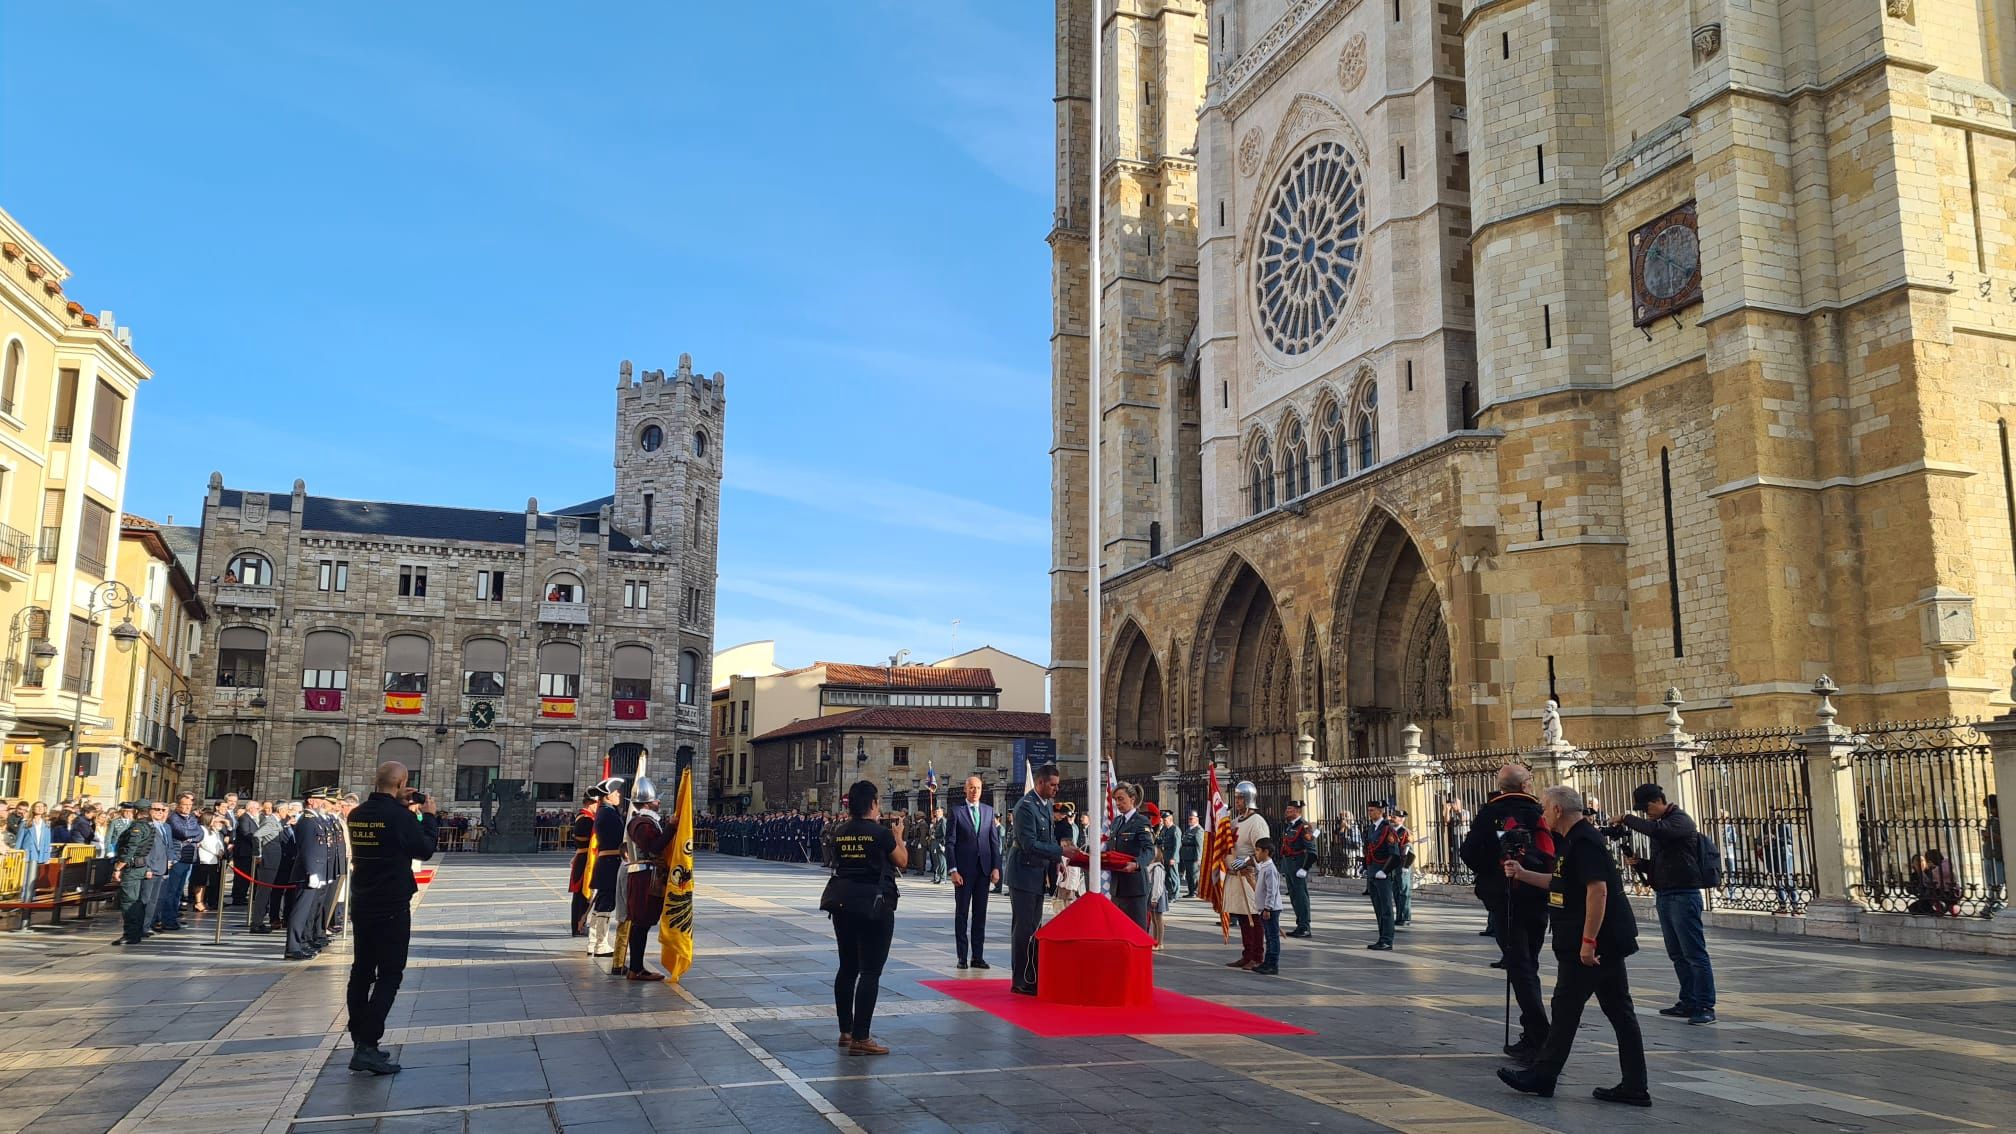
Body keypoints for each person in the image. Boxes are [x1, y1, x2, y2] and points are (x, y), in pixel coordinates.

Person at [1496, 785, 1649, 1107]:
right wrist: (1523, 874)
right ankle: (1634, 1085)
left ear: (1557, 810)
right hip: (1598, 941)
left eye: (1544, 807)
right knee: (1619, 1012)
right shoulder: (1572, 841)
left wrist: (1589, 942)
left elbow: (1598, 892)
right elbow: (1561, 884)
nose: (1541, 813)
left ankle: (1543, 1076)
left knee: (1566, 1009)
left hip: (1591, 943)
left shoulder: (1584, 841)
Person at [342, 761, 440, 1076]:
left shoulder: (357, 814)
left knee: (361, 970)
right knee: (390, 974)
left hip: (363, 900)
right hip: (392, 903)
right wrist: (429, 816)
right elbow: (424, 849)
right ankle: (368, 1044)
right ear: (402, 783)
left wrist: (399, 805)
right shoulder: (402, 816)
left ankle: (359, 1037)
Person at [1461, 764, 1554, 1060]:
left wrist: (1492, 872)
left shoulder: (1489, 813)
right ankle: (1533, 1031)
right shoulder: (1539, 811)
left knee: (1519, 966)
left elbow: (1469, 852)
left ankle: (1538, 1034)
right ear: (1525, 784)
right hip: (1538, 895)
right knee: (1529, 964)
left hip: (1504, 898)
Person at [1614, 783, 1716, 1025]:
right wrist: (1641, 864)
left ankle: (1705, 1005)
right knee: (1677, 953)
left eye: (1647, 807)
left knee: (1694, 953)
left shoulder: (1680, 820)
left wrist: (1626, 818)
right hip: (1666, 894)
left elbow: (1660, 832)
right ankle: (1688, 1000)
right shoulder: (1662, 826)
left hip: (1684, 894)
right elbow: (1668, 861)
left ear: (1659, 800)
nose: (1645, 813)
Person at [825, 780, 905, 1056]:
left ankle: (845, 1031)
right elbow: (902, 861)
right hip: (875, 905)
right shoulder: (880, 833)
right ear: (872, 804)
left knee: (847, 967)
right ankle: (862, 1037)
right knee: (870, 971)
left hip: (843, 903)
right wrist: (899, 836)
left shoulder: (839, 830)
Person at [1006, 763, 1064, 996]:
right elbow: (1029, 844)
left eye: (1057, 785)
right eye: (1052, 785)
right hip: (1024, 873)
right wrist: (1059, 852)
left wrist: (1055, 862)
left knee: (1033, 926)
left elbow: (1048, 838)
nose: (1056, 789)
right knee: (1024, 928)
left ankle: (1031, 973)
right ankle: (1020, 979)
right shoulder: (1026, 807)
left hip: (1037, 873)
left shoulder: (1044, 805)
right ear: (1039, 783)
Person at [621, 777, 674, 981]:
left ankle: (637, 966)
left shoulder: (646, 821)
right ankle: (636, 968)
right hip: (644, 876)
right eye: (655, 800)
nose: (658, 803)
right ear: (646, 803)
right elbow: (654, 846)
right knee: (641, 922)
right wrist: (671, 828)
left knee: (643, 922)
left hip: (648, 875)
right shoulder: (641, 823)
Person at [946, 775, 1001, 970]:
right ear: (965, 789)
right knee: (962, 914)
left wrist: (996, 867)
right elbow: (950, 843)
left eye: (977, 788)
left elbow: (994, 843)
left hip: (983, 871)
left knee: (980, 914)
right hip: (963, 872)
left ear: (982, 789)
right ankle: (962, 956)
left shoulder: (988, 811)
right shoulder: (956, 812)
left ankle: (977, 956)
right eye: (971, 788)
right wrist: (953, 869)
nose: (974, 791)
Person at [1220, 781, 1270, 969]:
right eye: (1237, 797)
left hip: (1249, 876)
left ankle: (1257, 956)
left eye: (1241, 797)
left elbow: (1263, 849)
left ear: (1249, 799)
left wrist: (1244, 862)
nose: (1238, 801)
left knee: (1253, 919)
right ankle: (1247, 953)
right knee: (1242, 917)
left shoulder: (1257, 822)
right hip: (1236, 876)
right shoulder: (1234, 822)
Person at [286, 790, 337, 960]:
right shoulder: (307, 821)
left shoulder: (315, 819)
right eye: (319, 799)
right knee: (300, 911)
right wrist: (311, 872)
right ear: (310, 801)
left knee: (307, 911)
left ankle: (300, 943)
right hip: (308, 872)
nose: (323, 802)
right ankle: (292, 947)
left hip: (317, 870)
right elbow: (307, 849)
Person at [584, 778, 628, 958]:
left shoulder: (605, 811)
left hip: (607, 862)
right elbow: (621, 835)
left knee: (602, 902)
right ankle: (600, 944)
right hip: (610, 863)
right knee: (606, 903)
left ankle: (594, 942)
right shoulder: (608, 813)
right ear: (608, 795)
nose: (619, 795)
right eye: (616, 792)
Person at [109, 800, 162, 945]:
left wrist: (118, 867)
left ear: (136, 811)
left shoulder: (137, 827)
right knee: (137, 902)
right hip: (141, 867)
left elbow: (131, 848)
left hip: (133, 868)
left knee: (129, 901)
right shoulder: (149, 826)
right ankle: (136, 932)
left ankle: (130, 934)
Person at [1106, 783, 1155, 933]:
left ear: (1132, 798)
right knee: (1118, 930)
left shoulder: (1141, 821)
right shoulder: (1116, 822)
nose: (1118, 803)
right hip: (1117, 886)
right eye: (1115, 800)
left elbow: (1149, 850)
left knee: (1136, 930)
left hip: (1135, 886)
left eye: (1121, 799)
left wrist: (1137, 864)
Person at [1362, 801, 1407, 950]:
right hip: (1373, 872)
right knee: (1378, 907)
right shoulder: (1371, 828)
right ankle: (1382, 937)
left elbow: (1394, 855)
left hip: (1383, 873)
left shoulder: (1387, 829)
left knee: (1386, 907)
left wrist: (1384, 871)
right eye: (1369, 810)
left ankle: (1387, 939)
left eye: (1373, 810)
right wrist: (1365, 868)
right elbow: (1369, 850)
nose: (1370, 813)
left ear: (1380, 811)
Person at [154, 793, 201, 932]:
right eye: (184, 805)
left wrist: (191, 837)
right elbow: (182, 833)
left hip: (189, 857)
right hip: (178, 857)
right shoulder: (173, 818)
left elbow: (200, 833)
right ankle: (167, 919)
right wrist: (191, 836)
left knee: (179, 891)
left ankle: (173, 917)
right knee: (171, 890)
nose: (187, 807)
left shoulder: (192, 818)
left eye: (189, 805)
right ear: (179, 805)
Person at [567, 786, 605, 935]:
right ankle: (578, 925)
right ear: (590, 803)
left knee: (582, 894)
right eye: (597, 804)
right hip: (585, 859)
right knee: (581, 895)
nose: (598, 807)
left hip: (584, 857)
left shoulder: (587, 818)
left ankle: (579, 924)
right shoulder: (586, 820)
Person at [1279, 800, 1315, 937]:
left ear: (1297, 811)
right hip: (1289, 866)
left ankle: (1305, 926)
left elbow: (1312, 851)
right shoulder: (1290, 826)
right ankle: (1300, 925)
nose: (1287, 812)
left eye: (1290, 809)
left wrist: (1304, 868)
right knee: (1294, 897)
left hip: (1298, 865)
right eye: (1287, 809)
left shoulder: (1304, 827)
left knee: (1301, 897)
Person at [1250, 837, 1284, 975]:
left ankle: (1273, 964)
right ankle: (1267, 962)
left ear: (1266, 852)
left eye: (1258, 850)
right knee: (1268, 937)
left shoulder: (1270, 869)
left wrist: (1268, 908)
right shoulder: (1264, 866)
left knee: (1272, 937)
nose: (1256, 853)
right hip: (1263, 908)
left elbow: (1272, 890)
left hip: (1270, 909)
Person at [13, 801, 51, 908]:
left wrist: (47, 855)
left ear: (44, 809)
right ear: (33, 809)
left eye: (42, 807)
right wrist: (18, 853)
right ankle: (24, 900)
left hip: (40, 854)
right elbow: (19, 839)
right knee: (26, 877)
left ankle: (32, 899)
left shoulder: (46, 824)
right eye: (37, 807)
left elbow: (47, 841)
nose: (39, 809)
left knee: (35, 878)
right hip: (29, 852)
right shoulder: (26, 823)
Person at [1906, 849, 1960, 916]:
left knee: (1924, 902)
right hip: (1951, 894)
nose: (1920, 863)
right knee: (1914, 907)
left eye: (1923, 860)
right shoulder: (1946, 864)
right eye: (1917, 861)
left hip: (1942, 894)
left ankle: (1941, 908)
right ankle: (1949, 908)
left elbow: (1929, 883)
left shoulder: (1934, 870)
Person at [1146, 841, 1170, 949]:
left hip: (1157, 894)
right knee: (1154, 919)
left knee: (1158, 918)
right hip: (1152, 893)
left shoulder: (1158, 867)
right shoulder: (1151, 866)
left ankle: (1160, 943)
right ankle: (1154, 940)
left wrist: (1155, 898)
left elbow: (1158, 884)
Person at [1155, 811, 1180, 905]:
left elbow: (1177, 845)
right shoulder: (1165, 829)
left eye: (1165, 820)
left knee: (1173, 876)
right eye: (1163, 820)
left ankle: (1175, 894)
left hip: (1171, 855)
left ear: (1170, 819)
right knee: (1167, 876)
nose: (1163, 822)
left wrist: (1174, 858)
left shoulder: (1175, 829)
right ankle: (1169, 893)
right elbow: (1161, 840)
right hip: (1165, 855)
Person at [1179, 811, 1203, 896]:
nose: (1189, 820)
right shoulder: (1189, 829)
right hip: (1187, 855)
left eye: (1191, 818)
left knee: (1194, 874)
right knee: (1189, 875)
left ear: (1197, 819)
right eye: (1189, 818)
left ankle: (1195, 891)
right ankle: (1191, 891)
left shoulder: (1198, 830)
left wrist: (1198, 858)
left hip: (1193, 856)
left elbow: (1199, 845)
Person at [926, 807, 947, 884]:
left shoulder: (943, 821)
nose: (936, 813)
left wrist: (943, 845)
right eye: (936, 811)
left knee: (942, 861)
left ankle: (943, 878)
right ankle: (937, 877)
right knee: (936, 861)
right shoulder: (937, 821)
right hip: (935, 843)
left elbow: (945, 834)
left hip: (940, 843)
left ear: (942, 812)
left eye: (938, 811)